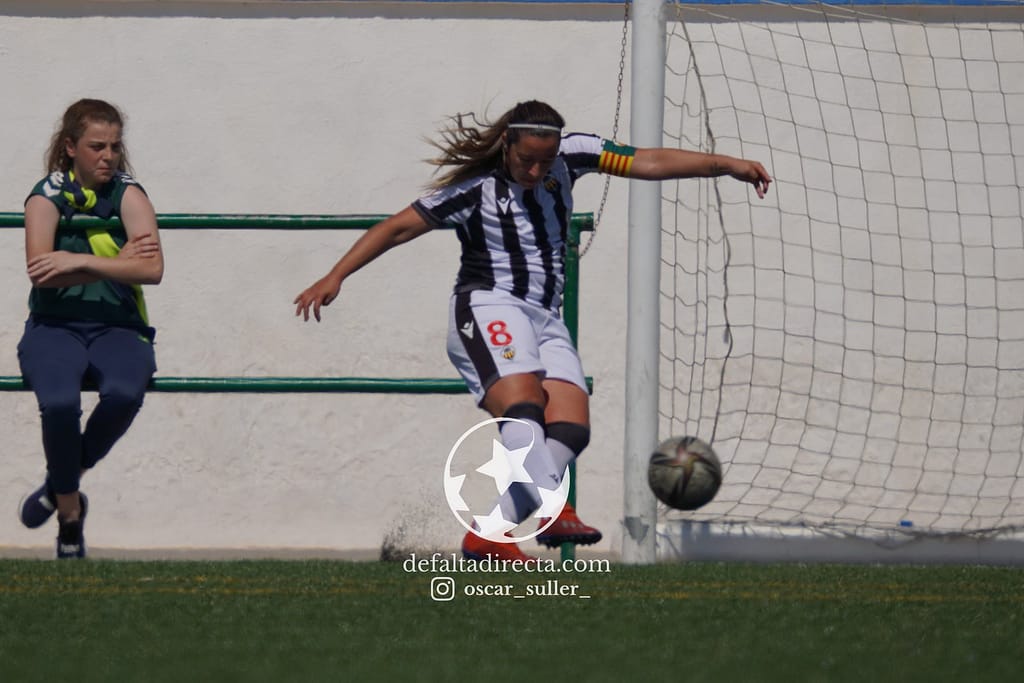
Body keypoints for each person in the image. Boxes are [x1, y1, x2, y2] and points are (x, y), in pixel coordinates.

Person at [294, 100, 771, 562]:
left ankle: (488, 538)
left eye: (546, 161)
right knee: (524, 405)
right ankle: (554, 506)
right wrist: (336, 275)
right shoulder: (475, 189)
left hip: (545, 316)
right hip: (487, 307)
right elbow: (397, 227)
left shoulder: (575, 153)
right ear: (506, 144)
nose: (537, 171)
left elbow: (647, 160)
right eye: (527, 160)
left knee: (570, 428)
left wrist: (725, 164)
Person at [17, 99, 164, 559]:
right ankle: (69, 515)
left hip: (118, 327)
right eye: (96, 146)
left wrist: (80, 260)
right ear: (70, 148)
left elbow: (153, 267)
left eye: (115, 147)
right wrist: (115, 264)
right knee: (59, 403)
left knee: (124, 393)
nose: (108, 156)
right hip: (53, 326)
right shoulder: (45, 195)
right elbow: (42, 271)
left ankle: (59, 486)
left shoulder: (128, 193)